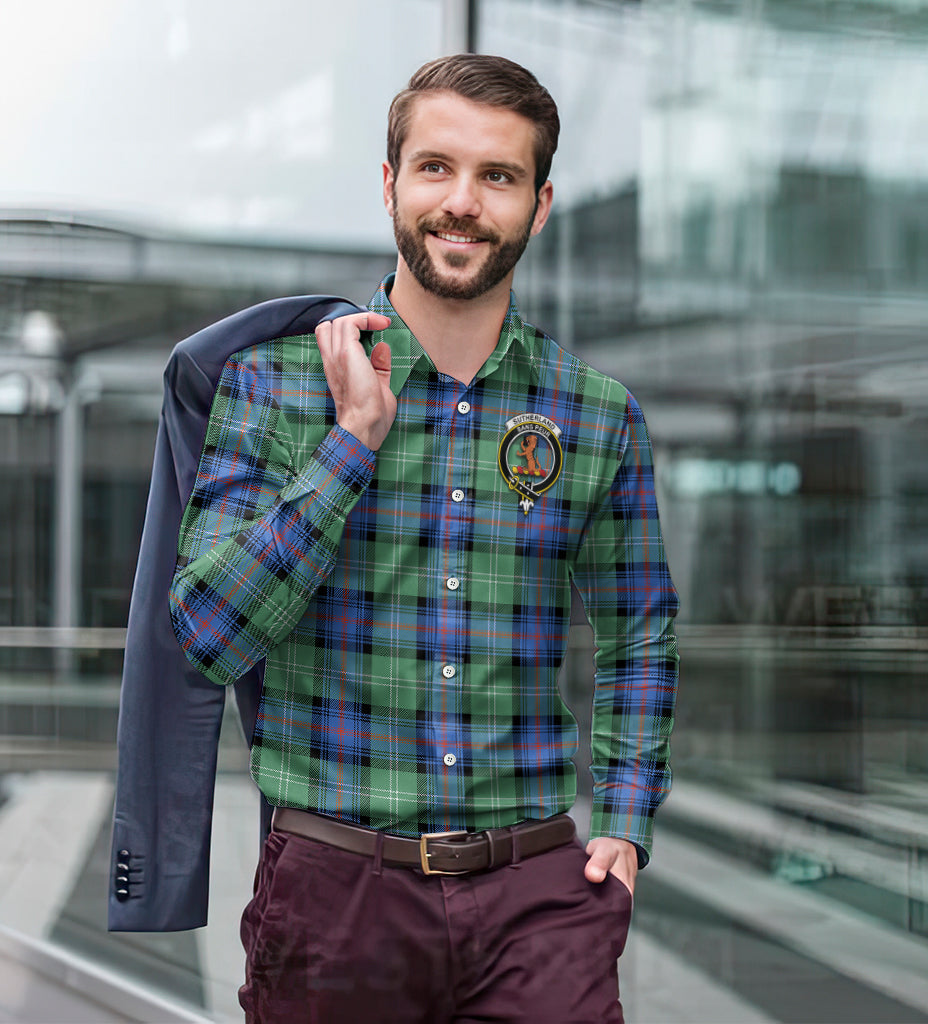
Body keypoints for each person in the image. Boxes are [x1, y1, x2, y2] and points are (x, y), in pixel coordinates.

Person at [168, 53, 679, 1024]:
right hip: (336, 895)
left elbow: (639, 628)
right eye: (437, 167)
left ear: (540, 203)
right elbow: (207, 635)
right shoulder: (274, 389)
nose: (463, 202)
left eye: (499, 176)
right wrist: (351, 442)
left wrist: (622, 815)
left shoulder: (595, 413)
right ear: (391, 182)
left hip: (537, 896)